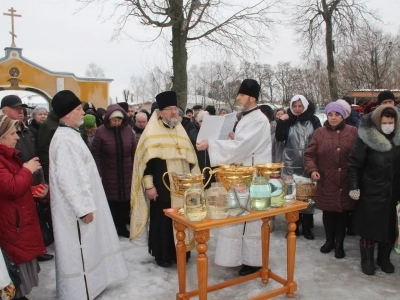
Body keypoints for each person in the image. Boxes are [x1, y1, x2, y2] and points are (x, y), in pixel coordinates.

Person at [49, 90, 129, 299]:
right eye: (78, 109)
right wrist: (83, 208)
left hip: (85, 203)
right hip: (75, 211)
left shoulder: (70, 135)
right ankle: (80, 290)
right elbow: (70, 178)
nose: (83, 113)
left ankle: (93, 283)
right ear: (66, 114)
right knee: (80, 248)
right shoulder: (65, 140)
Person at [196, 79, 271, 276]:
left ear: (252, 98)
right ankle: (238, 257)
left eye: (242, 95)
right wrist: (232, 138)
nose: (238, 97)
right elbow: (242, 143)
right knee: (239, 215)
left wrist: (211, 144)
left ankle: (254, 261)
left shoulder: (258, 119)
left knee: (250, 219)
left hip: (252, 175)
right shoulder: (246, 117)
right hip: (241, 173)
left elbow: (243, 147)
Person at [130, 91, 199, 268]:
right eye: (169, 109)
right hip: (161, 187)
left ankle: (182, 251)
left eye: (175, 109)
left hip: (182, 187)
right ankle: (164, 254)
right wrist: (149, 186)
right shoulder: (151, 133)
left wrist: (194, 181)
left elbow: (191, 158)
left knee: (182, 217)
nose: (174, 112)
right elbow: (145, 165)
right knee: (163, 220)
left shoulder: (180, 131)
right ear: (160, 112)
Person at [347, 105, 400, 275]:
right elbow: (354, 164)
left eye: (391, 122)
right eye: (384, 122)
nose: (388, 125)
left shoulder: (398, 139)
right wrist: (354, 187)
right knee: (369, 228)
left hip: (393, 192)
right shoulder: (366, 138)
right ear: (378, 122)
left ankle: (384, 258)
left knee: (390, 228)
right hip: (371, 191)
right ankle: (367, 260)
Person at [1, 95, 54, 262]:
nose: (20, 112)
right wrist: (26, 172)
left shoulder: (28, 131)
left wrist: (42, 182)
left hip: (31, 183)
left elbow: (37, 159)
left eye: (21, 108)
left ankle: (36, 251)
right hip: (17, 188)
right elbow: (9, 183)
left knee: (34, 222)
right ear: (4, 111)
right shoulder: (4, 134)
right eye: (16, 109)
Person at [0, 115, 47, 300]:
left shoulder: (9, 156)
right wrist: (27, 170)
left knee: (19, 267)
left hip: (17, 220)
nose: (17, 137)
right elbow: (11, 187)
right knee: (14, 269)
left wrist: (35, 192)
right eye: (12, 133)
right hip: (11, 224)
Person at [304, 102, 358, 259]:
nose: (333, 118)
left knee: (342, 214)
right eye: (330, 114)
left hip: (345, 180)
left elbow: (359, 154)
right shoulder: (320, 133)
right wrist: (313, 169)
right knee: (328, 213)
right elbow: (310, 154)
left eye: (337, 115)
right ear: (326, 116)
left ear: (343, 116)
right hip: (326, 180)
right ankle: (329, 241)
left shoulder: (353, 131)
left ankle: (339, 244)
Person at [275, 95, 321, 240]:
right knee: (291, 194)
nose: (297, 109)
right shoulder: (288, 120)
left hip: (308, 162)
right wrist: (281, 122)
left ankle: (307, 226)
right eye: (294, 106)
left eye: (300, 106)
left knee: (307, 195)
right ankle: (293, 225)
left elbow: (319, 138)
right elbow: (280, 137)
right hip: (290, 163)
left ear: (306, 106)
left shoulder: (313, 120)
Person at [91, 104, 137, 238]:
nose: (117, 123)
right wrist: (99, 172)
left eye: (119, 120)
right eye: (114, 120)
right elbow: (96, 154)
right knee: (112, 201)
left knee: (125, 200)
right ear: (108, 119)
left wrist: (135, 167)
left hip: (126, 171)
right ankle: (111, 228)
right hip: (109, 172)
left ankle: (122, 227)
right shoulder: (100, 131)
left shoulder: (128, 130)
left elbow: (134, 150)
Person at [188, 110, 214, 188]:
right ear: (197, 122)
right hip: (199, 164)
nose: (204, 123)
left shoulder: (214, 132)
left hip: (212, 166)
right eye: (201, 121)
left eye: (206, 121)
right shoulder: (192, 133)